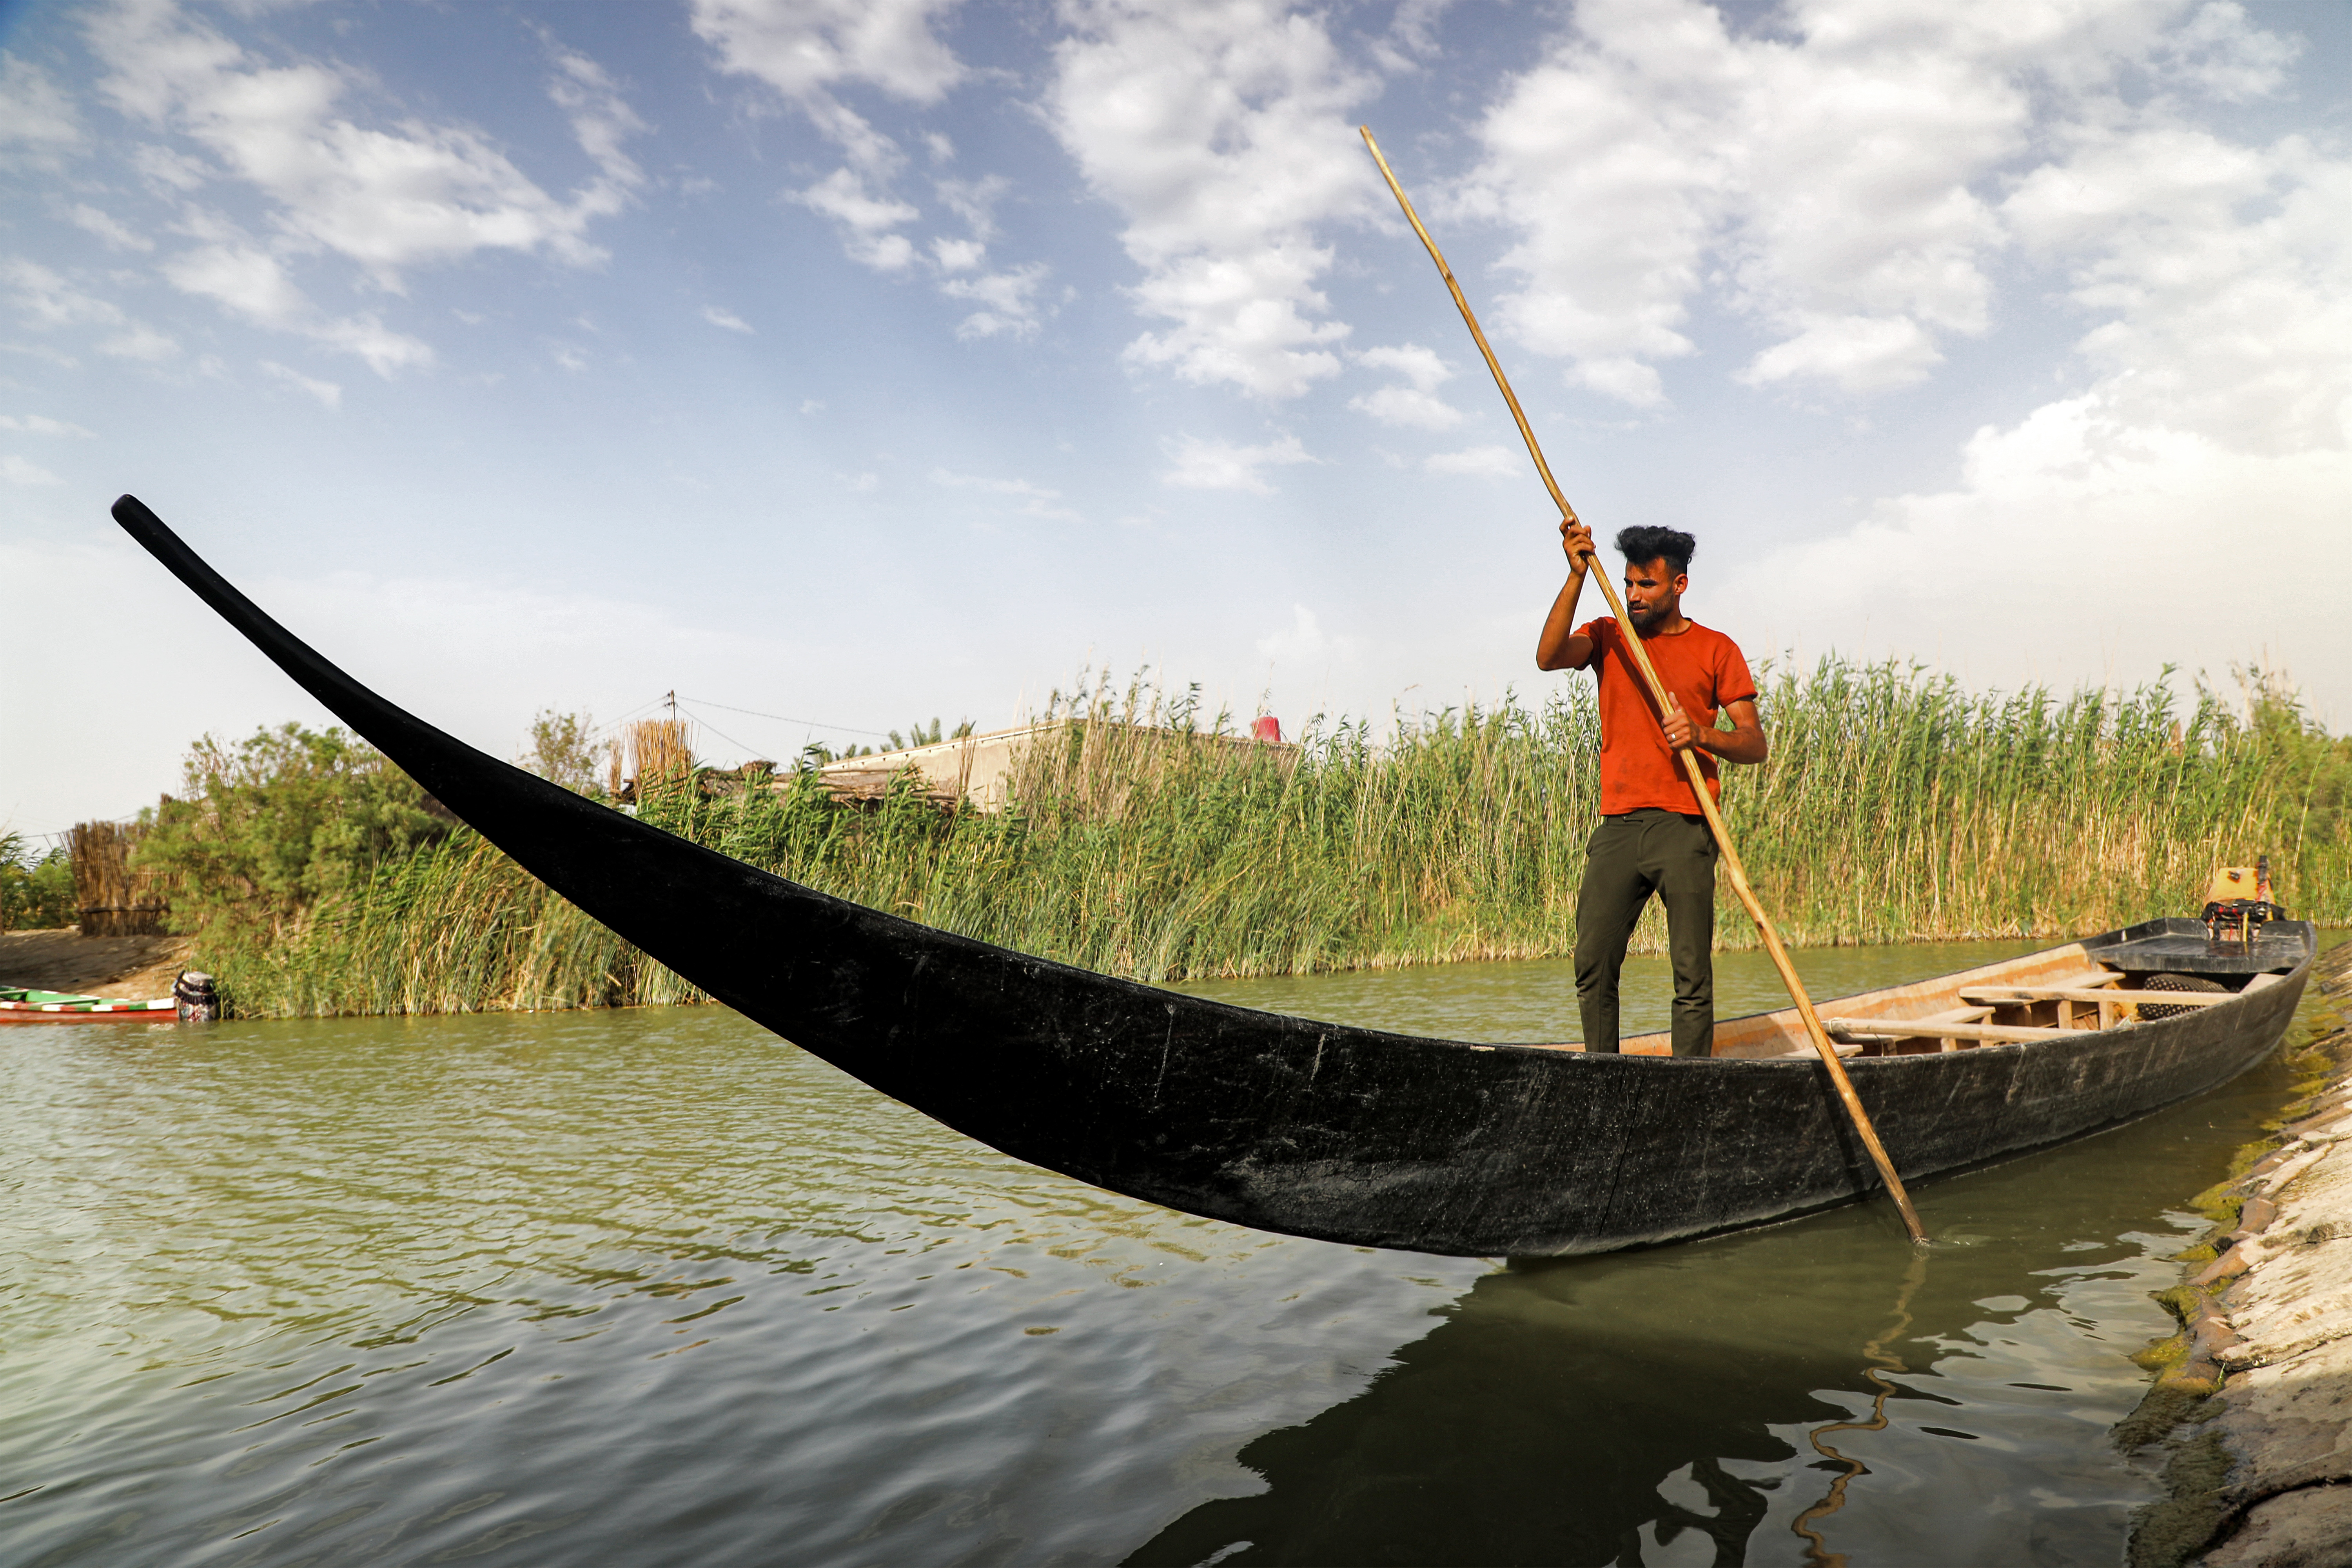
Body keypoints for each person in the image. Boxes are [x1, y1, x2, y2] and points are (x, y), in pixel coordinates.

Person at [1535, 520, 1766, 1057]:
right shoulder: (1608, 634)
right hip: (1618, 825)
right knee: (1592, 963)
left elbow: (1755, 744)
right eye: (1629, 584)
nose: (1634, 596)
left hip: (1685, 826)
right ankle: (1603, 1076)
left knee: (1690, 972)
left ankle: (1688, 1085)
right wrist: (1574, 577)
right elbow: (1547, 657)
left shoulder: (1716, 650)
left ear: (1679, 586)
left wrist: (1703, 733)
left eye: (1648, 586)